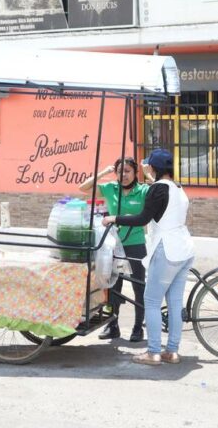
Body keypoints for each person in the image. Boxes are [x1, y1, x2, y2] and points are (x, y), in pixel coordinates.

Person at [102, 148, 194, 365]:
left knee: (151, 300)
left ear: (153, 167)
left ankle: (153, 352)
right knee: (174, 302)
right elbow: (160, 194)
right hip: (185, 248)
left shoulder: (157, 190)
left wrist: (114, 218)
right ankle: (172, 351)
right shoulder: (178, 188)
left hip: (167, 249)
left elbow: (143, 218)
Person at [79, 157, 154, 342]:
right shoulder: (111, 188)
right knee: (113, 285)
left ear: (135, 172)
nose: (124, 175)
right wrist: (104, 172)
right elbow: (83, 188)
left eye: (128, 171)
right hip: (113, 244)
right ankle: (113, 325)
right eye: (120, 171)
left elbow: (163, 191)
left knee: (139, 284)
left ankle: (138, 327)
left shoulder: (143, 190)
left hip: (135, 243)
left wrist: (149, 176)